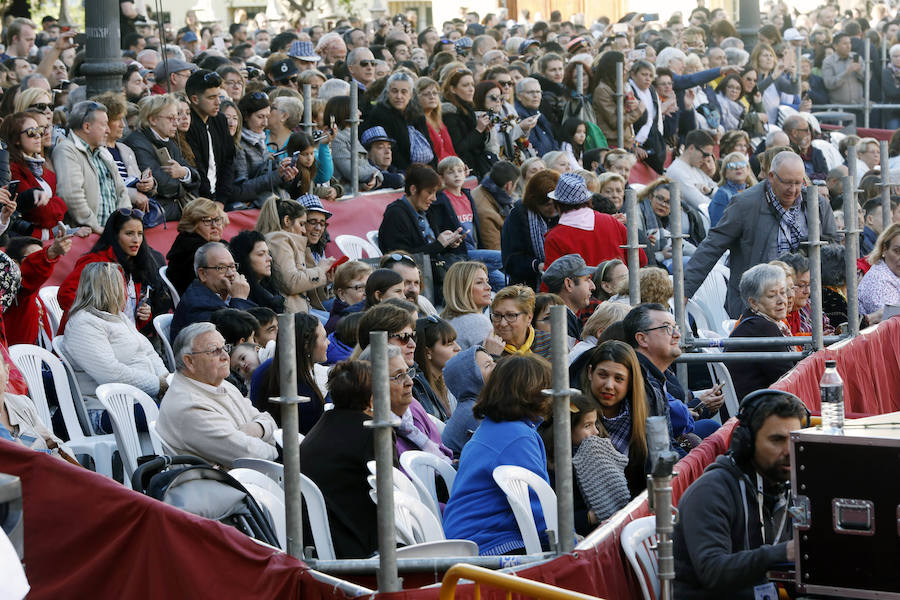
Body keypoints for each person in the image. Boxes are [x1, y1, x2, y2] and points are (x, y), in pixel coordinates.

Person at [674, 389, 807, 599]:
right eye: (777, 440)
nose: (789, 450)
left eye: (794, 439)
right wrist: (784, 552)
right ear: (746, 442)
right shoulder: (710, 491)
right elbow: (713, 571)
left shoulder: (787, 487)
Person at [685, 152, 838, 318]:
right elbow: (712, 247)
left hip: (804, 305)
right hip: (756, 306)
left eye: (798, 183)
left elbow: (834, 249)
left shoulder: (817, 204)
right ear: (771, 177)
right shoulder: (745, 204)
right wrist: (685, 291)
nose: (793, 190)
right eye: (787, 183)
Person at [442, 353, 554, 555]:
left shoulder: (495, 427)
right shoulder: (516, 436)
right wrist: (569, 541)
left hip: (469, 538)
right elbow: (537, 505)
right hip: (489, 544)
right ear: (533, 394)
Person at [60, 262, 170, 433]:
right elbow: (110, 373)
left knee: (197, 405)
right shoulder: (84, 323)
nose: (126, 290)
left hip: (140, 398)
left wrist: (165, 379)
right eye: (122, 284)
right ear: (112, 289)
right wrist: (158, 384)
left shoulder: (117, 317)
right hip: (107, 408)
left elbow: (147, 351)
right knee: (181, 415)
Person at [157, 322, 277, 467]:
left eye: (225, 347)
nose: (226, 356)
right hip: (222, 485)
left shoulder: (218, 383)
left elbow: (266, 419)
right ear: (189, 361)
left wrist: (258, 428)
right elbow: (250, 456)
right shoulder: (188, 407)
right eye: (214, 351)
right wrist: (276, 448)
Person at [300, 360, 379, 559]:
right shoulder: (372, 433)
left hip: (312, 540)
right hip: (352, 546)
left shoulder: (322, 426)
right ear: (371, 400)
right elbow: (392, 495)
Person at [543, 390, 630, 534]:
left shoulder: (595, 453)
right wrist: (590, 517)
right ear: (566, 428)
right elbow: (554, 518)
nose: (596, 431)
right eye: (587, 426)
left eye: (595, 423)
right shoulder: (551, 465)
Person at [57, 208, 159, 331]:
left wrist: (142, 315)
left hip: (123, 339)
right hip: (90, 338)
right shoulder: (95, 261)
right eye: (129, 233)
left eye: (140, 234)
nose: (136, 240)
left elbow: (127, 317)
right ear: (115, 235)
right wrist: (98, 319)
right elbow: (65, 295)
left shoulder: (134, 264)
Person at [53, 100, 132, 234]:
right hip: (89, 236)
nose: (108, 130)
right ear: (87, 127)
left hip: (112, 234)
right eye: (103, 124)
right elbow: (71, 195)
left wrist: (123, 224)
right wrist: (96, 228)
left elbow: (122, 192)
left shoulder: (104, 152)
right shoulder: (66, 150)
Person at [124, 94, 201, 221]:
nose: (176, 123)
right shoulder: (137, 142)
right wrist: (184, 185)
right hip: (157, 214)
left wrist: (183, 173)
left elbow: (195, 176)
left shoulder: (169, 141)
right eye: (171, 118)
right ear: (153, 119)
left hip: (173, 210)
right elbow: (162, 184)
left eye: (177, 118)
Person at [542, 173, 644, 269]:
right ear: (588, 199)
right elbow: (641, 260)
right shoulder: (612, 222)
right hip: (619, 286)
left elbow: (551, 283)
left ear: (557, 204)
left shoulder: (555, 237)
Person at [727, 264, 797, 401]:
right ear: (753, 303)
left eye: (783, 292)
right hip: (756, 411)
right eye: (772, 296)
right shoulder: (762, 328)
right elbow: (788, 378)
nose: (781, 301)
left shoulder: (761, 322)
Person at [255, 197, 335, 314]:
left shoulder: (288, 241)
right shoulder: (279, 240)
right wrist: (320, 270)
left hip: (301, 310)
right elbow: (291, 282)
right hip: (290, 315)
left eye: (322, 223)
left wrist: (324, 279)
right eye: (303, 223)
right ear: (287, 221)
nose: (304, 230)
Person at [251, 313, 326, 432]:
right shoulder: (304, 391)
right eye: (324, 338)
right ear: (307, 345)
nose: (328, 343)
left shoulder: (265, 368)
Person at [0, 112, 70, 238]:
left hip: (46, 239)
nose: (38, 136)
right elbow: (43, 215)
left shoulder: (43, 168)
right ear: (16, 139)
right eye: (31, 132)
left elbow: (62, 207)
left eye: (39, 130)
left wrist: (55, 204)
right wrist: (56, 204)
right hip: (25, 242)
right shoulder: (13, 169)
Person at [170, 242, 258, 342]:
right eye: (221, 268)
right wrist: (240, 300)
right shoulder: (198, 305)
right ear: (203, 274)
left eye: (232, 266)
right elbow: (232, 338)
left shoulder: (228, 294)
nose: (230, 274)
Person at [94, 92, 157, 215]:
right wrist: (133, 195)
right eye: (117, 119)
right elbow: (102, 188)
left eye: (123, 119)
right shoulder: (96, 150)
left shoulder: (125, 149)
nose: (123, 125)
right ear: (104, 121)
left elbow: (135, 180)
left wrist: (149, 184)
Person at [3, 233, 72, 346]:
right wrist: (51, 252)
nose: (38, 259)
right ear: (14, 263)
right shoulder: (14, 292)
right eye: (34, 257)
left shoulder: (33, 293)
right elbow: (31, 273)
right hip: (18, 360)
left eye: (40, 254)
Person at [233, 91, 297, 208]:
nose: (265, 123)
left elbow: (272, 180)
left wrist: (286, 176)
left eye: (267, 117)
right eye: (260, 117)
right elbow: (240, 190)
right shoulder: (239, 146)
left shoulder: (261, 139)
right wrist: (276, 176)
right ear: (246, 116)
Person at [184, 70, 236, 208]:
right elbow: (197, 166)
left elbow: (228, 161)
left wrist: (221, 200)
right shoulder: (188, 125)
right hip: (197, 200)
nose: (218, 102)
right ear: (194, 99)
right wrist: (211, 204)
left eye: (218, 96)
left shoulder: (220, 120)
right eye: (211, 97)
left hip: (221, 198)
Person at [501, 169, 559, 288]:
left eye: (556, 203)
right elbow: (511, 261)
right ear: (534, 201)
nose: (553, 208)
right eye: (547, 204)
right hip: (527, 285)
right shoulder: (519, 215)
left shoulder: (566, 213)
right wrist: (537, 265)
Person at [165, 198, 227, 295]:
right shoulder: (196, 253)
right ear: (192, 224)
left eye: (217, 219)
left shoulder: (217, 247)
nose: (214, 225)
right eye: (207, 220)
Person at [441, 345, 495, 456]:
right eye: (488, 365)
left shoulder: (477, 403)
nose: (496, 366)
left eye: (493, 361)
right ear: (472, 379)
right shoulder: (473, 412)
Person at [441, 66, 493, 177]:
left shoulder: (467, 108)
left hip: (475, 165)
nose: (471, 89)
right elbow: (459, 148)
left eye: (472, 85)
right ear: (453, 89)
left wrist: (484, 131)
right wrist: (478, 130)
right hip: (461, 170)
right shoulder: (449, 114)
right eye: (465, 85)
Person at [440, 260, 504, 351]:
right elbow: (488, 363)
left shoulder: (444, 319)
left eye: (487, 281)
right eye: (479, 282)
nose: (489, 287)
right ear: (462, 289)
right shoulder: (477, 321)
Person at [591, 51, 643, 150]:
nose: (626, 70)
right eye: (623, 67)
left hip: (626, 143)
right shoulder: (602, 90)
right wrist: (639, 110)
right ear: (615, 68)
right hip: (613, 145)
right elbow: (616, 122)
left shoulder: (618, 86)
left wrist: (632, 106)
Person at [414, 315, 460, 420]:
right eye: (449, 344)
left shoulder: (449, 384)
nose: (458, 348)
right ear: (427, 352)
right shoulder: (417, 391)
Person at [541, 254, 595, 342]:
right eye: (587, 280)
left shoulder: (565, 318)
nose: (593, 286)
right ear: (569, 284)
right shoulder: (560, 323)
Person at [229, 230, 285, 313]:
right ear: (245, 259)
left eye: (268, 253)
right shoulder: (239, 293)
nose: (269, 258)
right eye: (261, 254)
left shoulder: (270, 290)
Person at [491, 285, 552, 359]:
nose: (502, 323)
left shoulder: (550, 343)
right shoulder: (485, 349)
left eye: (511, 315)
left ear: (529, 318)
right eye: (497, 315)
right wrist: (491, 357)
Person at [665, 129, 719, 211]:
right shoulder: (677, 171)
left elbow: (718, 190)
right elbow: (701, 204)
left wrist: (710, 192)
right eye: (705, 155)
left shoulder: (696, 167)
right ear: (691, 148)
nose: (705, 160)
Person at [471, 160, 520, 250]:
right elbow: (494, 250)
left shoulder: (484, 188)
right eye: (515, 184)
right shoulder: (486, 212)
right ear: (508, 185)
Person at [859, 223, 900, 321]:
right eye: (897, 251)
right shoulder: (879, 280)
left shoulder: (893, 274)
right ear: (884, 249)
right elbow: (892, 326)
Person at [325, 260, 372, 333]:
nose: (367, 292)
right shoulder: (336, 326)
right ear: (341, 294)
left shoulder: (375, 315)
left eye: (369, 286)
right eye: (360, 288)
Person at [709, 152, 754, 227]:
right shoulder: (722, 194)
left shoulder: (753, 192)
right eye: (732, 166)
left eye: (742, 164)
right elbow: (718, 227)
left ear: (748, 170)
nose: (737, 168)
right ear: (725, 173)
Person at [782, 115, 828, 182]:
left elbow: (825, 175)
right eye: (806, 131)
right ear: (794, 133)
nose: (808, 135)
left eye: (809, 133)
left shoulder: (816, 152)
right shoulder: (786, 152)